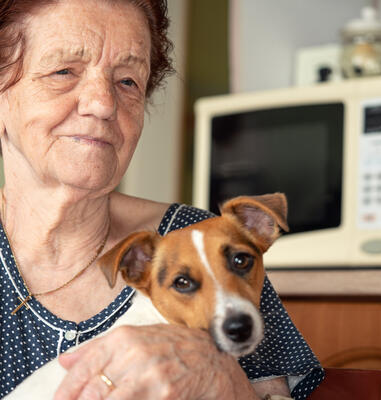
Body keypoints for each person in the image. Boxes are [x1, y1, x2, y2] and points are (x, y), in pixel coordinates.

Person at [0, 0, 323, 399]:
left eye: (127, 82)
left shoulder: (200, 239)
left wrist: (219, 377)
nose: (103, 103)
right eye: (64, 71)